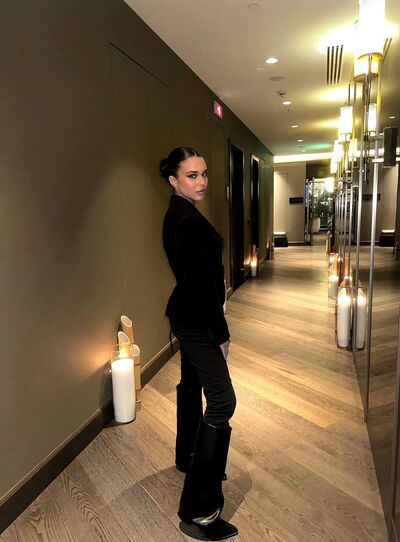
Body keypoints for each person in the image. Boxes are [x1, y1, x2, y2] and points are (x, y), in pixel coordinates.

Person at [161, 147, 238, 541]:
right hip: (196, 321)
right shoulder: (185, 220)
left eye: (204, 173)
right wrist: (220, 334)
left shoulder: (181, 212)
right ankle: (199, 512)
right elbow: (201, 286)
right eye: (192, 175)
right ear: (173, 180)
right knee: (223, 401)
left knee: (192, 386)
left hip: (188, 315)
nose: (202, 181)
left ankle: (187, 456)